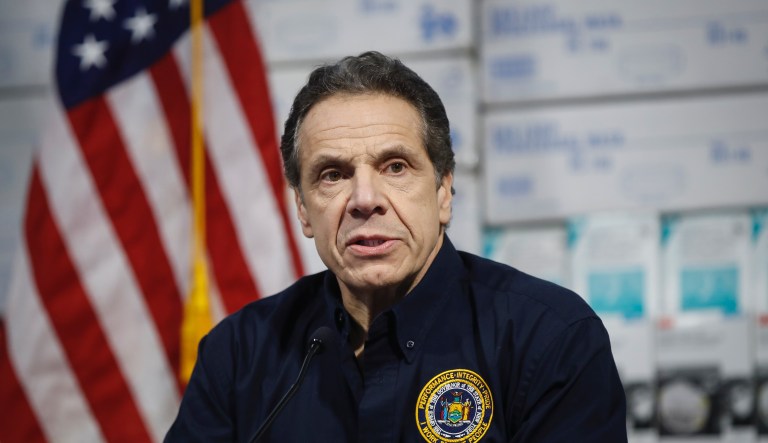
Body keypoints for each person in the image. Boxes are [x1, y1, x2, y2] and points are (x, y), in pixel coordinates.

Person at [166, 51, 627, 442]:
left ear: (444, 192)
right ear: (304, 210)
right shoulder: (238, 354)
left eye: (395, 167)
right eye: (333, 175)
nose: (365, 200)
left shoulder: (550, 338)